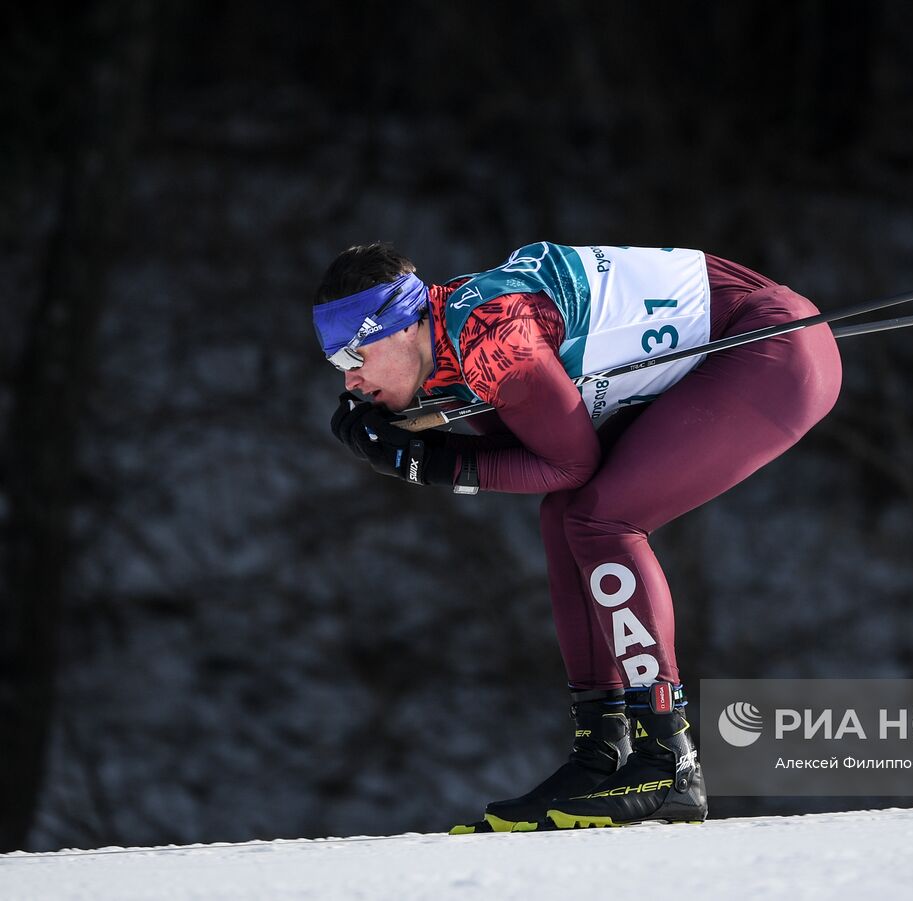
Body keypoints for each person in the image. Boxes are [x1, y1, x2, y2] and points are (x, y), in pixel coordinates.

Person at [312, 241, 842, 831]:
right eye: (337, 365)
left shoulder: (491, 335)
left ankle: (668, 756)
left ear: (402, 325)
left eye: (353, 354)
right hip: (746, 339)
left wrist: (428, 462)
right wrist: (417, 445)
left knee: (599, 516)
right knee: (565, 515)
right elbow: (534, 450)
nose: (351, 378)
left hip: (772, 347)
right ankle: (603, 750)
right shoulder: (448, 339)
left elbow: (568, 462)